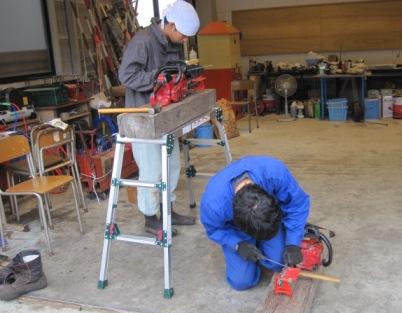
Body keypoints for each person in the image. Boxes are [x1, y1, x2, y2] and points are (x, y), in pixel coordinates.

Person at [118, 1, 200, 236]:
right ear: (172, 25)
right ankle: (150, 219)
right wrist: (159, 77)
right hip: (142, 117)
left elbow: (172, 71)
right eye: (184, 36)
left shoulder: (170, 41)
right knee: (152, 170)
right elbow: (126, 75)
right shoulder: (142, 41)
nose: (185, 41)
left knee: (171, 165)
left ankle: (168, 211)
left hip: (165, 114)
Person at [200, 156, 310, 290]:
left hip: (267, 219)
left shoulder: (274, 173)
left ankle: (270, 244)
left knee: (280, 263)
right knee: (241, 282)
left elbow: (297, 204)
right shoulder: (214, 205)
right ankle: (254, 253)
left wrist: (292, 243)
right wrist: (237, 244)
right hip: (238, 230)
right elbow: (214, 229)